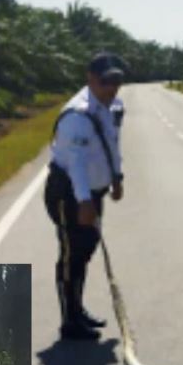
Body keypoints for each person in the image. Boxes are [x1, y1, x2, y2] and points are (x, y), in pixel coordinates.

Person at [45, 51, 126, 341]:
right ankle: (70, 321)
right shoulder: (76, 116)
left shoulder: (112, 106)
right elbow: (76, 164)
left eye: (116, 81)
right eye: (106, 82)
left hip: (92, 193)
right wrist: (83, 201)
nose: (112, 88)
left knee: (86, 248)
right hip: (69, 194)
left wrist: (116, 177)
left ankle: (77, 310)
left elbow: (111, 144)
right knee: (72, 255)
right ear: (90, 79)